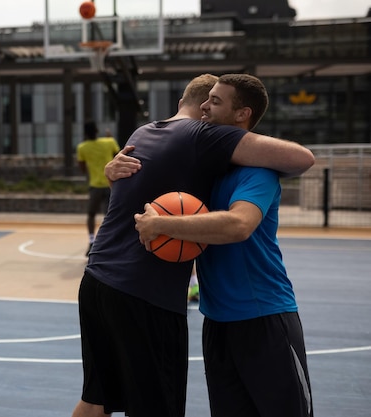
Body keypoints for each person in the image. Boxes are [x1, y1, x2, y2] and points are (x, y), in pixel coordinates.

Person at [71, 73, 314, 417]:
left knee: (100, 399)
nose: (205, 107)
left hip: (262, 314)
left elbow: (240, 224)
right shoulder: (205, 168)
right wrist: (113, 174)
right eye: (207, 98)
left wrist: (160, 224)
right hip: (213, 317)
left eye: (215, 101)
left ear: (242, 114)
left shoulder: (256, 172)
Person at [76, 121, 120, 255]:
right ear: (96, 130)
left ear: (85, 133)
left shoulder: (82, 147)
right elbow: (119, 156)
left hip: (95, 185)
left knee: (91, 215)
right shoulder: (109, 142)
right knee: (109, 216)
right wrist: (109, 137)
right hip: (110, 184)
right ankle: (110, 243)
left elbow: (83, 168)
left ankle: (91, 242)